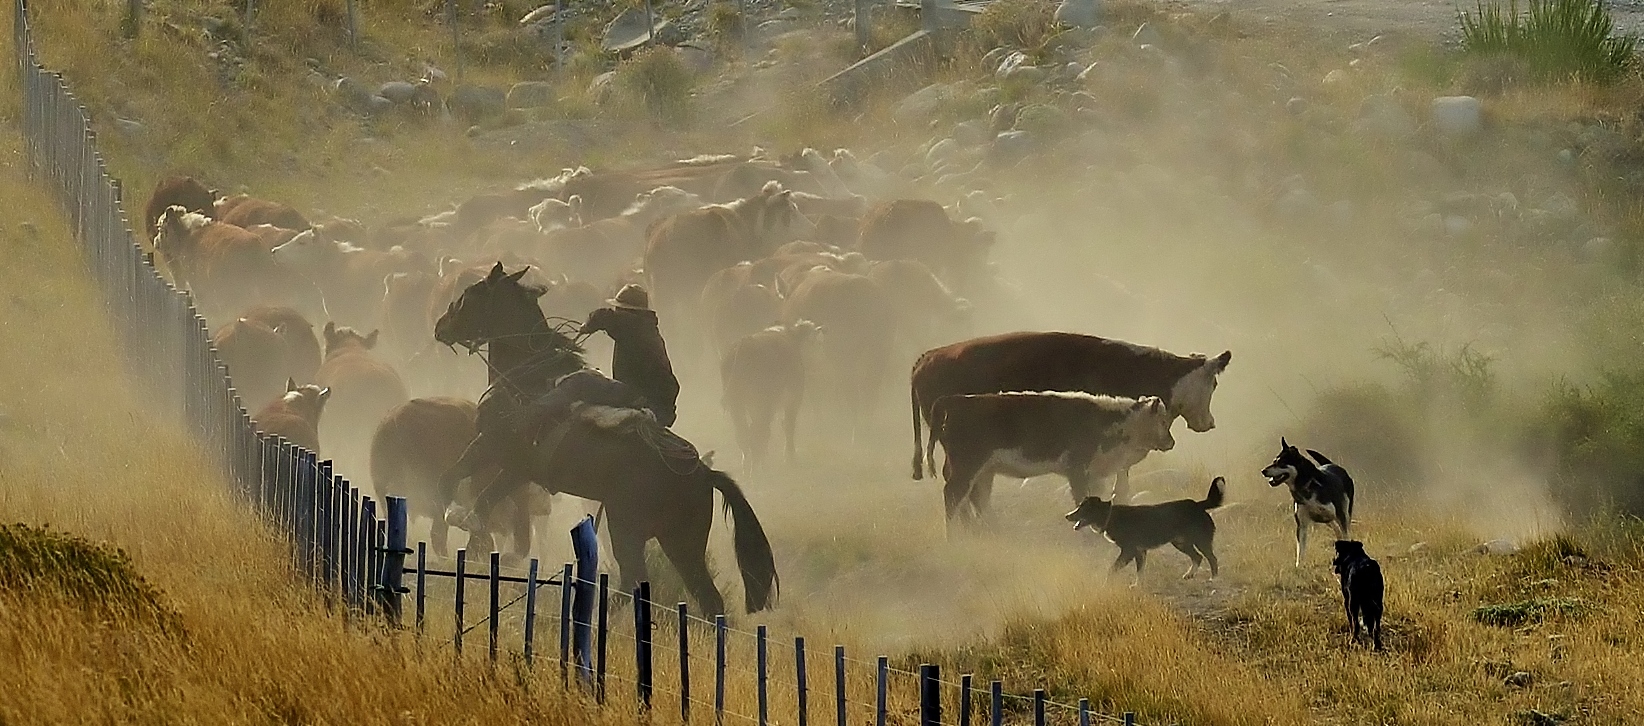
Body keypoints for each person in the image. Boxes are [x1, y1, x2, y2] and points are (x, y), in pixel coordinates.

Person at [577, 284, 682, 428]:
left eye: (618, 308)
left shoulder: (632, 325)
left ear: (626, 311)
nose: (616, 311)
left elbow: (603, 316)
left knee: (582, 380)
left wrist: (587, 326)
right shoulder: (646, 328)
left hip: (639, 397)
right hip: (659, 403)